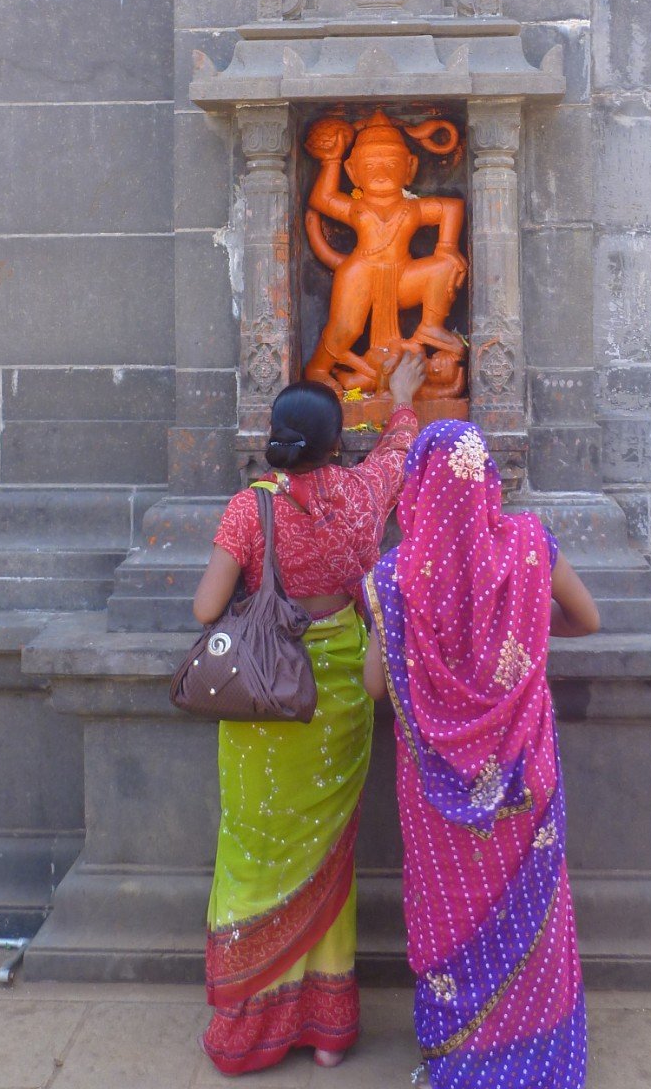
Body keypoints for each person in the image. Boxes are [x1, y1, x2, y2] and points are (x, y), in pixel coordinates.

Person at [193, 351, 427, 1076]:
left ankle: (252, 1031)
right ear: (335, 442)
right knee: (332, 858)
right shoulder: (361, 497)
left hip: (266, 697)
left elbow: (205, 609)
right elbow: (398, 451)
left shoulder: (249, 507)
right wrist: (400, 397)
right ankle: (329, 1032)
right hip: (341, 695)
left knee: (255, 852)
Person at [363, 420, 601, 1088]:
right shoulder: (531, 546)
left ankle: (464, 1057)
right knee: (535, 913)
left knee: (450, 910)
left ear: (416, 487)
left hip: (437, 781)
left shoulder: (394, 577)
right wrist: (520, 623)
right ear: (488, 479)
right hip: (525, 764)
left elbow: (374, 684)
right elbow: (588, 619)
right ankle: (542, 1056)